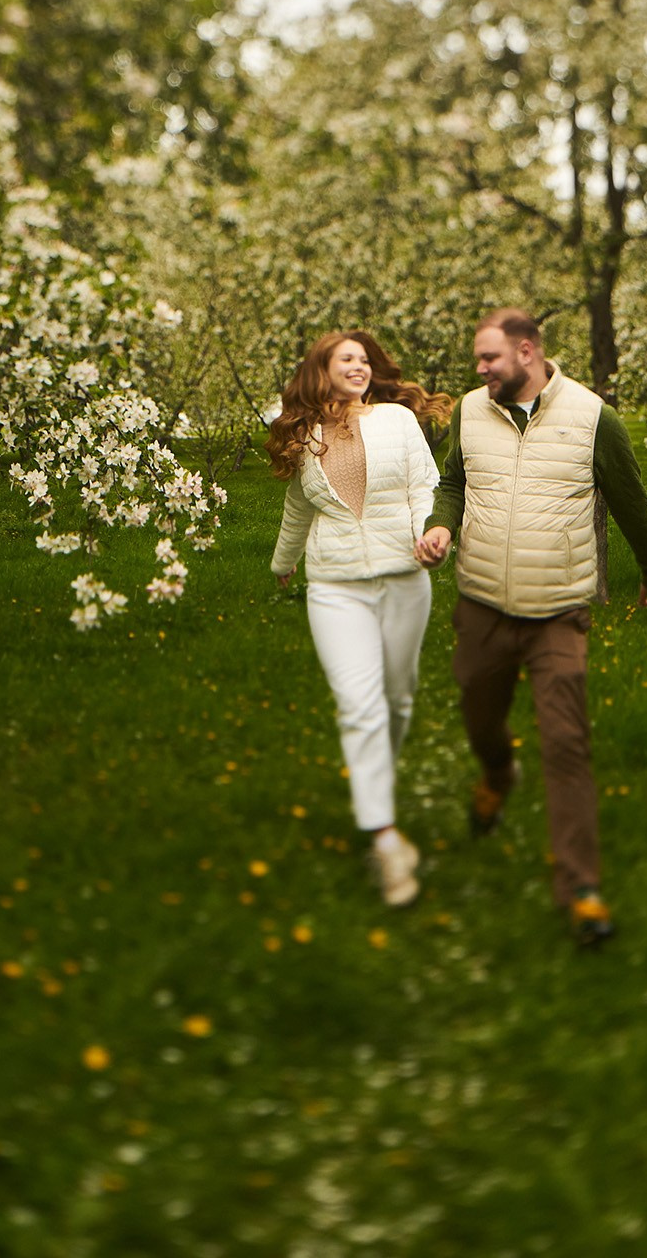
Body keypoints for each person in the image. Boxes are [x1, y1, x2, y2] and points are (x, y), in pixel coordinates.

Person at [415, 309, 647, 947]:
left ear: (526, 352)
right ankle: (499, 775)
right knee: (480, 718)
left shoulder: (592, 418)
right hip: (481, 603)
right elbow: (455, 481)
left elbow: (631, 498)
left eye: (489, 358)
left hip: (557, 608)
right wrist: (440, 523)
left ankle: (582, 889)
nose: (479, 370)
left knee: (566, 744)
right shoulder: (473, 413)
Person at [268, 331, 452, 908]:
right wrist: (283, 563)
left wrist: (430, 532)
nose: (360, 366)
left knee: (397, 698)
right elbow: (299, 506)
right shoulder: (303, 434)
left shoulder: (397, 421)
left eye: (365, 360)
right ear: (320, 369)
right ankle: (385, 836)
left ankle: (378, 784)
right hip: (335, 586)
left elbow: (427, 484)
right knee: (359, 703)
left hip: (403, 577)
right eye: (346, 358)